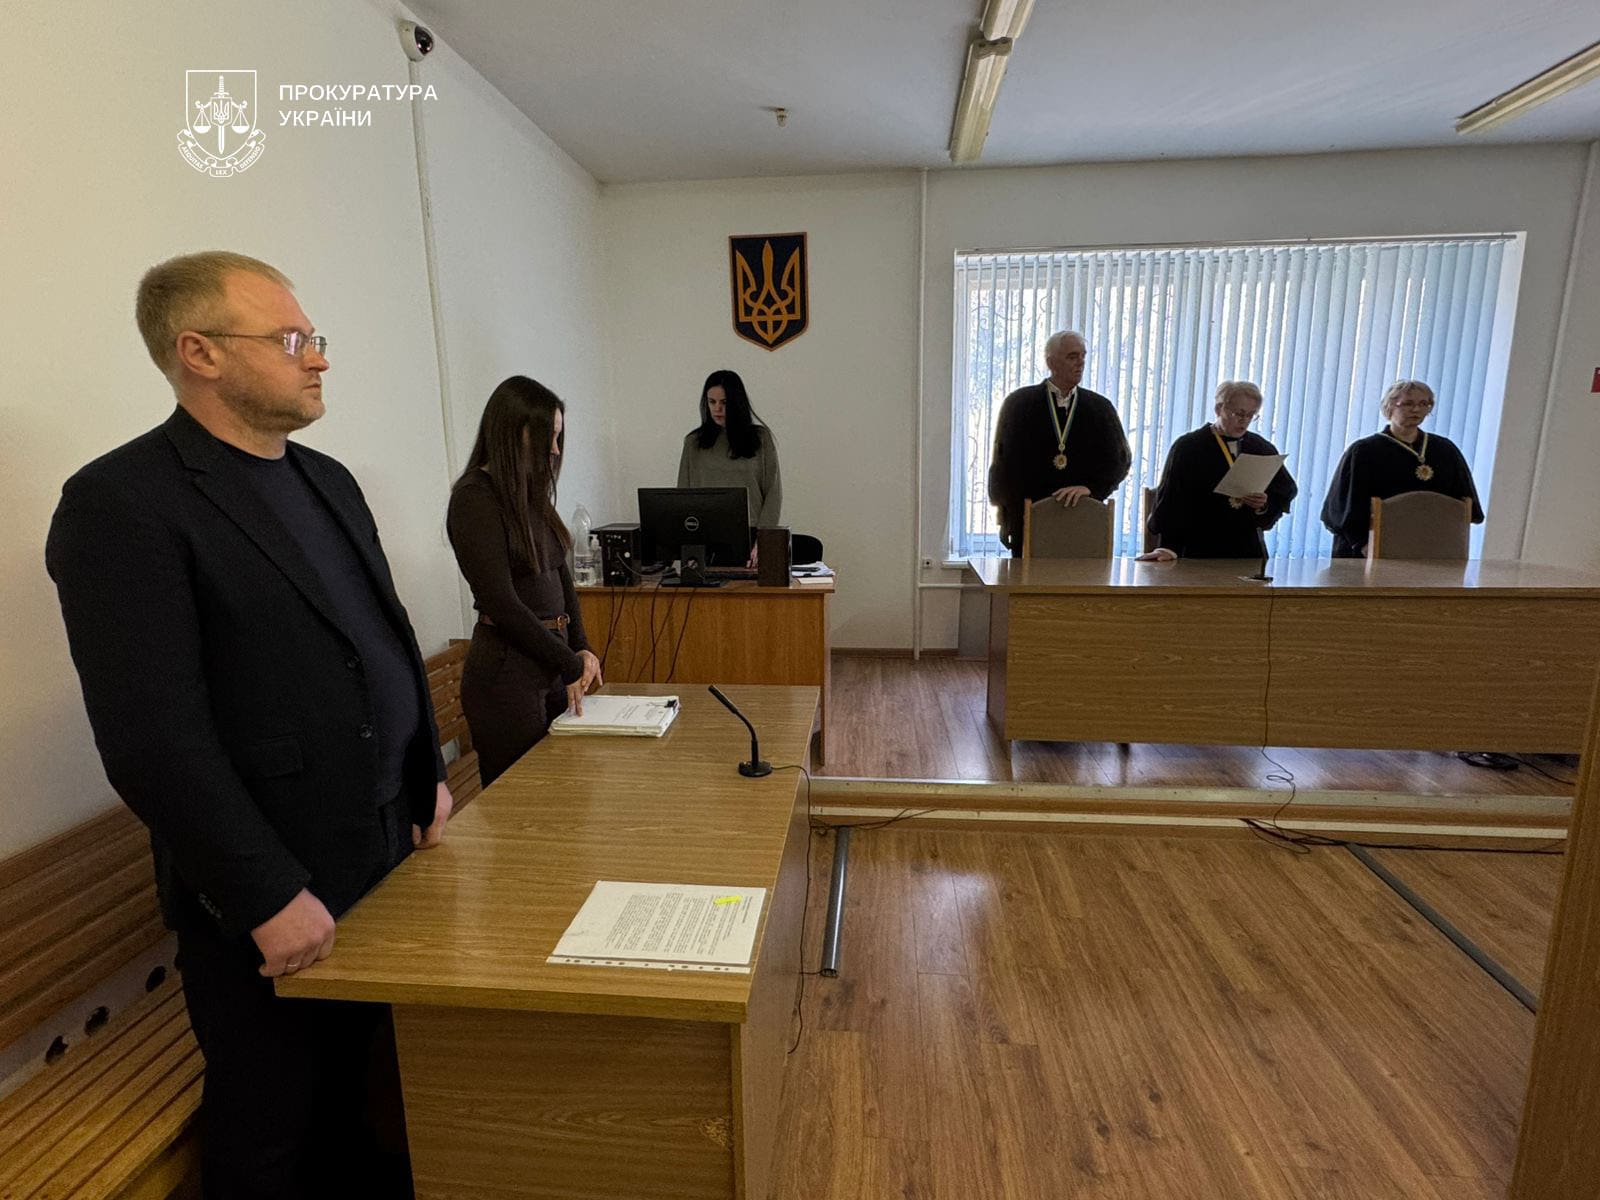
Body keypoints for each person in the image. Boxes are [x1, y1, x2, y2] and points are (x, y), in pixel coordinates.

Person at [45, 251, 451, 1198]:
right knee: (272, 1127)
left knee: (363, 1100)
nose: (319, 358)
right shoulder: (122, 502)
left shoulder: (327, 480)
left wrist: (425, 770)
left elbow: (382, 639)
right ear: (201, 353)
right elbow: (152, 737)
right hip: (269, 888)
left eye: (314, 338)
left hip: (381, 855)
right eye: (292, 340)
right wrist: (265, 894)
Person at [447, 376, 602, 787]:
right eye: (548, 437)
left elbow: (560, 575)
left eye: (558, 437)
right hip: (507, 678)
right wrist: (568, 661)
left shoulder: (529, 495)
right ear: (515, 432)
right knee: (522, 800)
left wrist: (581, 646)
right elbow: (501, 603)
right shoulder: (474, 499)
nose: (555, 450)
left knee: (567, 791)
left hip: (549, 665)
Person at [987, 330, 1131, 553]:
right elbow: (1003, 466)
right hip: (1029, 519)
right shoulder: (1019, 404)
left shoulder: (1100, 407)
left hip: (1082, 520)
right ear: (1051, 362)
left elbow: (1120, 460)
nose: (1080, 362)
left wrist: (1091, 488)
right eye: (1072, 356)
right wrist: (1007, 517)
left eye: (1083, 356)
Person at [1321, 379, 1484, 558]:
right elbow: (1345, 505)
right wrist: (1362, 543)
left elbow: (1463, 502)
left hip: (1429, 547)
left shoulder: (1445, 450)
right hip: (1371, 547)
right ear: (1389, 407)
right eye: (1408, 403)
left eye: (1424, 404)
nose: (1416, 410)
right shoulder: (1364, 451)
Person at [1143, 381, 1298, 560]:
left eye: (1251, 415)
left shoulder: (1261, 448)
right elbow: (1172, 499)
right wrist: (1169, 547)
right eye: (1238, 413)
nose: (1244, 421)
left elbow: (1285, 490)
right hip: (1197, 545)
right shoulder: (1188, 447)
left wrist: (1263, 505)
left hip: (1245, 548)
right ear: (1219, 409)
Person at [677, 370, 780, 564]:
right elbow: (683, 496)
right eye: (712, 402)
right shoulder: (693, 442)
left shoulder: (760, 439)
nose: (717, 409)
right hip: (705, 536)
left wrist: (764, 540)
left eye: (724, 402)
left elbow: (773, 493)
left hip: (750, 536)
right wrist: (688, 546)